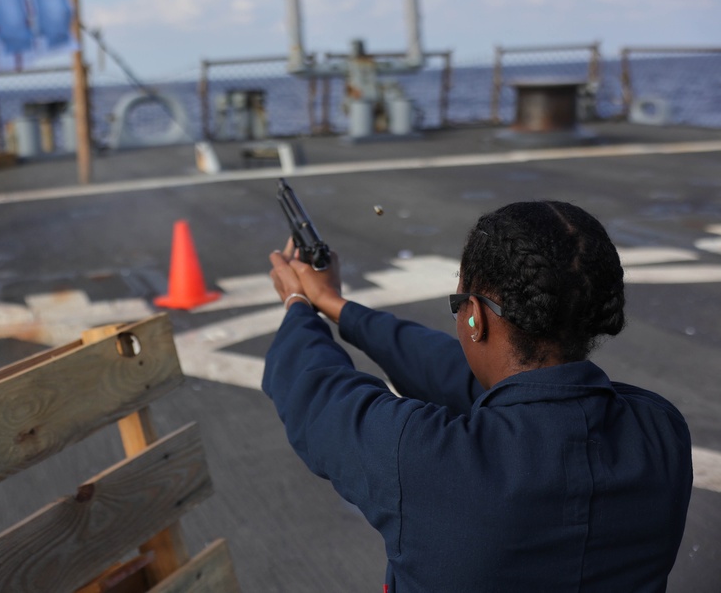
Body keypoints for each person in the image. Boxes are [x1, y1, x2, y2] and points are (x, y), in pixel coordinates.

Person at [265, 200, 692, 592]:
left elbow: (315, 390)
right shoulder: (660, 431)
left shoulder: (423, 459)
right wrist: (338, 306)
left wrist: (299, 303)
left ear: (475, 318)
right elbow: (489, 383)